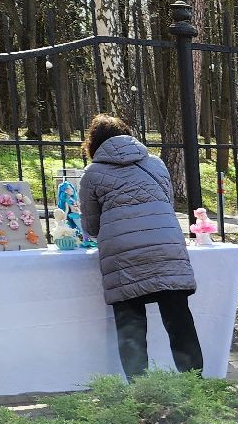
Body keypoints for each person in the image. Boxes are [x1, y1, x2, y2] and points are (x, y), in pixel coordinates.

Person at [79, 114, 204, 376]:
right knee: (179, 321)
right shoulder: (156, 164)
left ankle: (142, 395)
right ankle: (197, 386)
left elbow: (91, 227)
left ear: (93, 143)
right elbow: (166, 205)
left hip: (124, 258)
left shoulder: (92, 173)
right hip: (166, 249)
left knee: (131, 328)